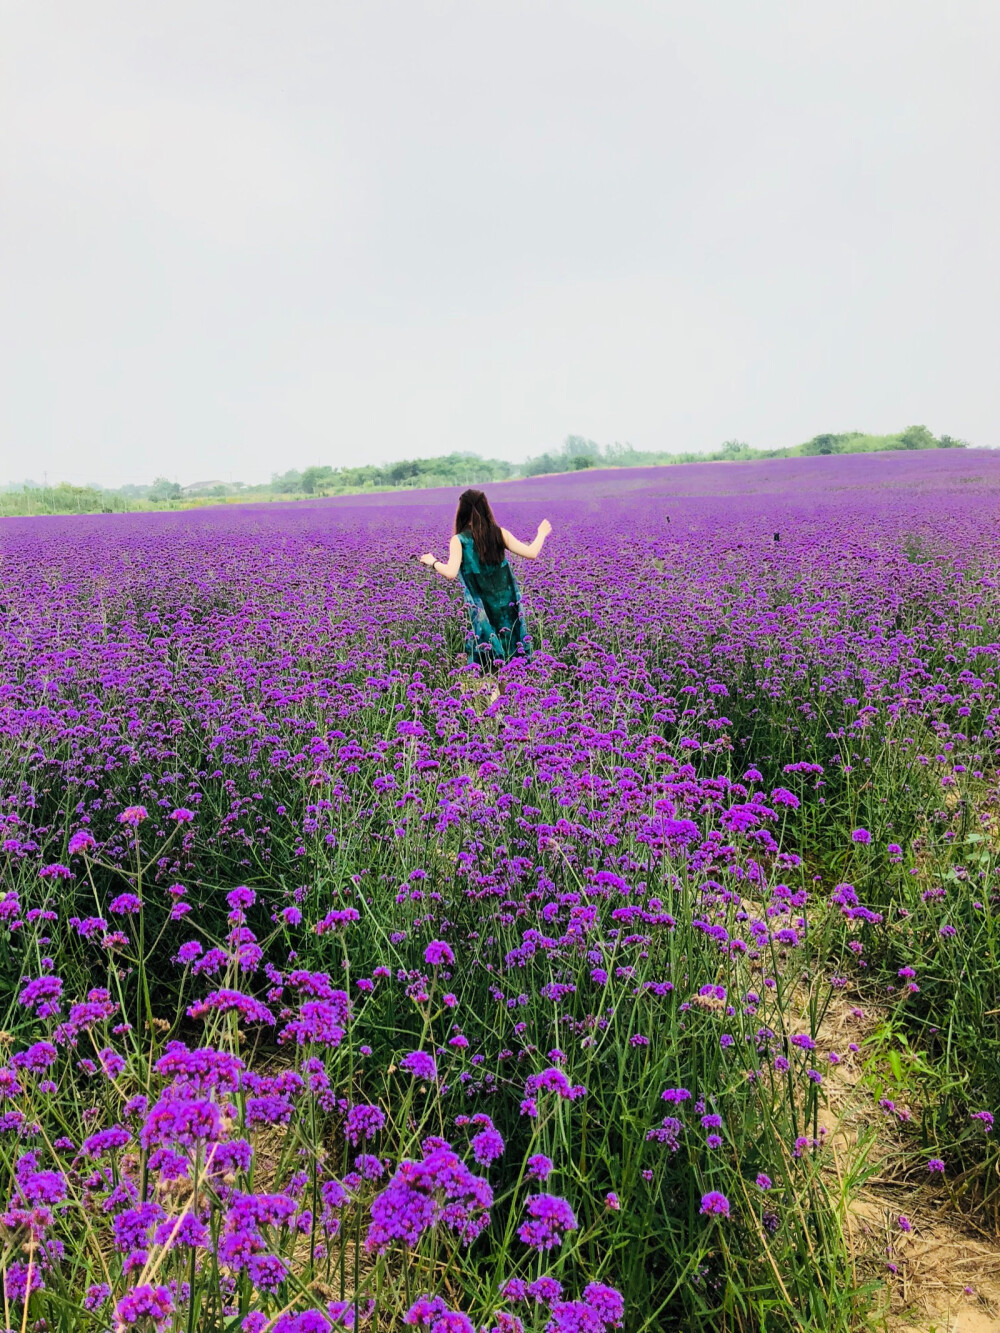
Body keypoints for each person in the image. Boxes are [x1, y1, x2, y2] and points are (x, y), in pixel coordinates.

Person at [419, 489, 552, 670]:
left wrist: (432, 562)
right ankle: (510, 695)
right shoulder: (499, 533)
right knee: (511, 653)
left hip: (480, 607)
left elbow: (450, 572)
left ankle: (492, 696)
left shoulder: (459, 540)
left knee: (486, 657)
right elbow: (531, 553)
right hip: (507, 605)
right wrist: (541, 533)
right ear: (486, 508)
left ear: (462, 511)